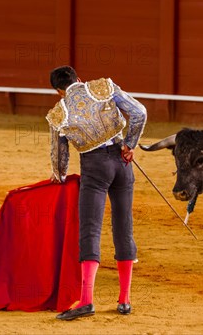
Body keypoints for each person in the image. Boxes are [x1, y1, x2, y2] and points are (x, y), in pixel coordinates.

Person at [46, 65, 147, 321]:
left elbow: (60, 156)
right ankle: (124, 300)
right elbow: (139, 112)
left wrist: (60, 177)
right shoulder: (102, 86)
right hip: (122, 163)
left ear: (59, 91)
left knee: (90, 229)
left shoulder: (59, 113)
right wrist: (129, 144)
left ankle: (87, 300)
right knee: (124, 226)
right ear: (78, 79)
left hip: (94, 168)